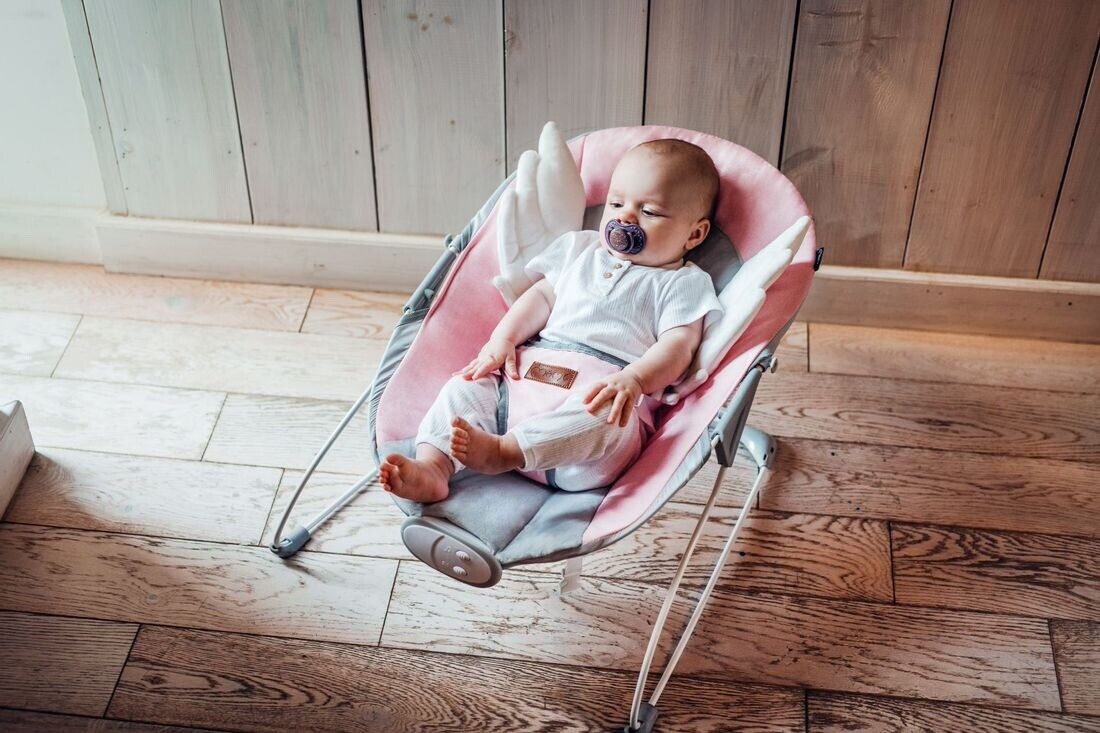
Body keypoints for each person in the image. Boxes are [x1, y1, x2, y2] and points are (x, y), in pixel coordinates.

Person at [380, 138, 723, 502]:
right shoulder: (581, 250)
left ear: (695, 233)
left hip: (590, 421)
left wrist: (634, 379)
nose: (625, 218)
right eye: (616, 203)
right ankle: (434, 466)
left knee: (608, 417)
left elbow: (679, 345)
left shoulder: (682, 282)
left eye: (650, 212)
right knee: (465, 385)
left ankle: (506, 453)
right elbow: (541, 297)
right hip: (524, 384)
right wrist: (503, 340)